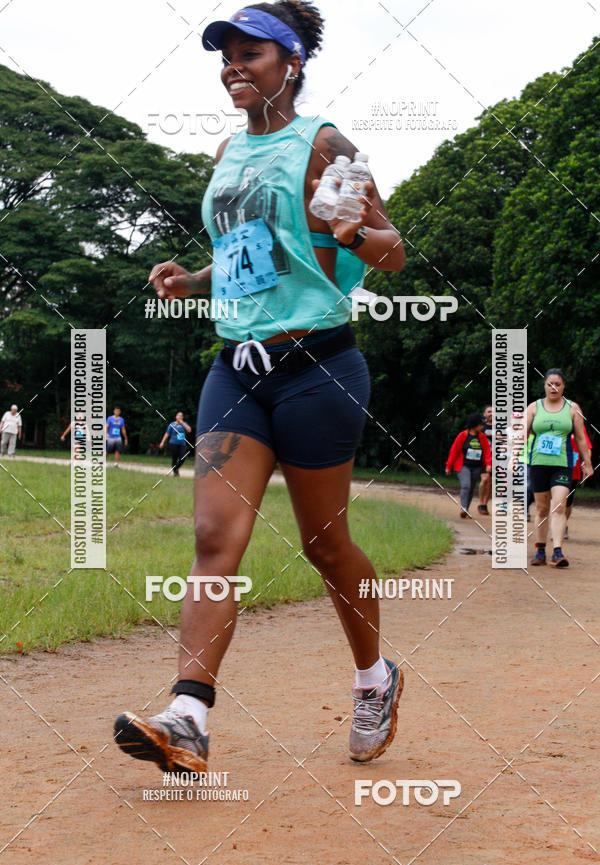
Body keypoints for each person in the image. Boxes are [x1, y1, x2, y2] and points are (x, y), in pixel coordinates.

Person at [114, 0, 406, 775]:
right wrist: (194, 275)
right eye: (226, 53)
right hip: (236, 368)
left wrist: (352, 232)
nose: (233, 65)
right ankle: (188, 715)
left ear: (292, 63)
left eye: (252, 53)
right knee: (215, 542)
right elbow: (253, 251)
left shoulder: (325, 143)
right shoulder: (227, 152)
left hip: (319, 367)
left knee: (324, 546)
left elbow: (393, 251)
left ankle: (375, 678)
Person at [527, 369, 593, 567]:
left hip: (562, 465)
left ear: (563, 386)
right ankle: (540, 551)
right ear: (544, 386)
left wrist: (587, 462)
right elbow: (521, 435)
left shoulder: (573, 408)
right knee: (541, 508)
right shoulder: (534, 407)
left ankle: (557, 551)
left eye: (558, 384)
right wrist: (513, 459)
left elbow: (581, 438)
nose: (553, 387)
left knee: (559, 505)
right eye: (550, 384)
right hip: (538, 464)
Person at [445, 414, 492, 518]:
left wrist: (488, 464)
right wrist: (449, 466)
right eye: (481, 424)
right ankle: (463, 507)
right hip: (463, 466)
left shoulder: (482, 437)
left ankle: (466, 508)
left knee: (471, 488)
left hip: (477, 466)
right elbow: (454, 451)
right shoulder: (463, 435)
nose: (482, 427)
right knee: (466, 485)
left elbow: (487, 451)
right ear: (474, 425)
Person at [565, 425, 592, 539]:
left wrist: (586, 463)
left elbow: (587, 447)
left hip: (573, 469)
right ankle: (556, 524)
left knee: (567, 501)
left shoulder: (578, 426)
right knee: (556, 499)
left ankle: (563, 523)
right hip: (553, 467)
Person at [159, 412, 192, 476]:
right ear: (176, 417)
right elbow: (167, 434)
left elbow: (189, 430)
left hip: (182, 444)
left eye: (181, 416)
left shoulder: (185, 424)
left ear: (182, 417)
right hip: (173, 443)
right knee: (174, 458)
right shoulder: (172, 424)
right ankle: (175, 473)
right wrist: (162, 442)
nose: (180, 417)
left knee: (183, 457)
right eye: (178, 415)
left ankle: (176, 468)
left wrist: (182, 423)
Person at [477, 405, 493, 515]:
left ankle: (484, 504)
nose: (491, 413)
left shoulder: (502, 427)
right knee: (484, 480)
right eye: (489, 411)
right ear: (484, 414)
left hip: (496, 458)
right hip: (482, 458)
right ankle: (480, 502)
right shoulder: (480, 427)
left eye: (493, 412)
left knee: (491, 483)